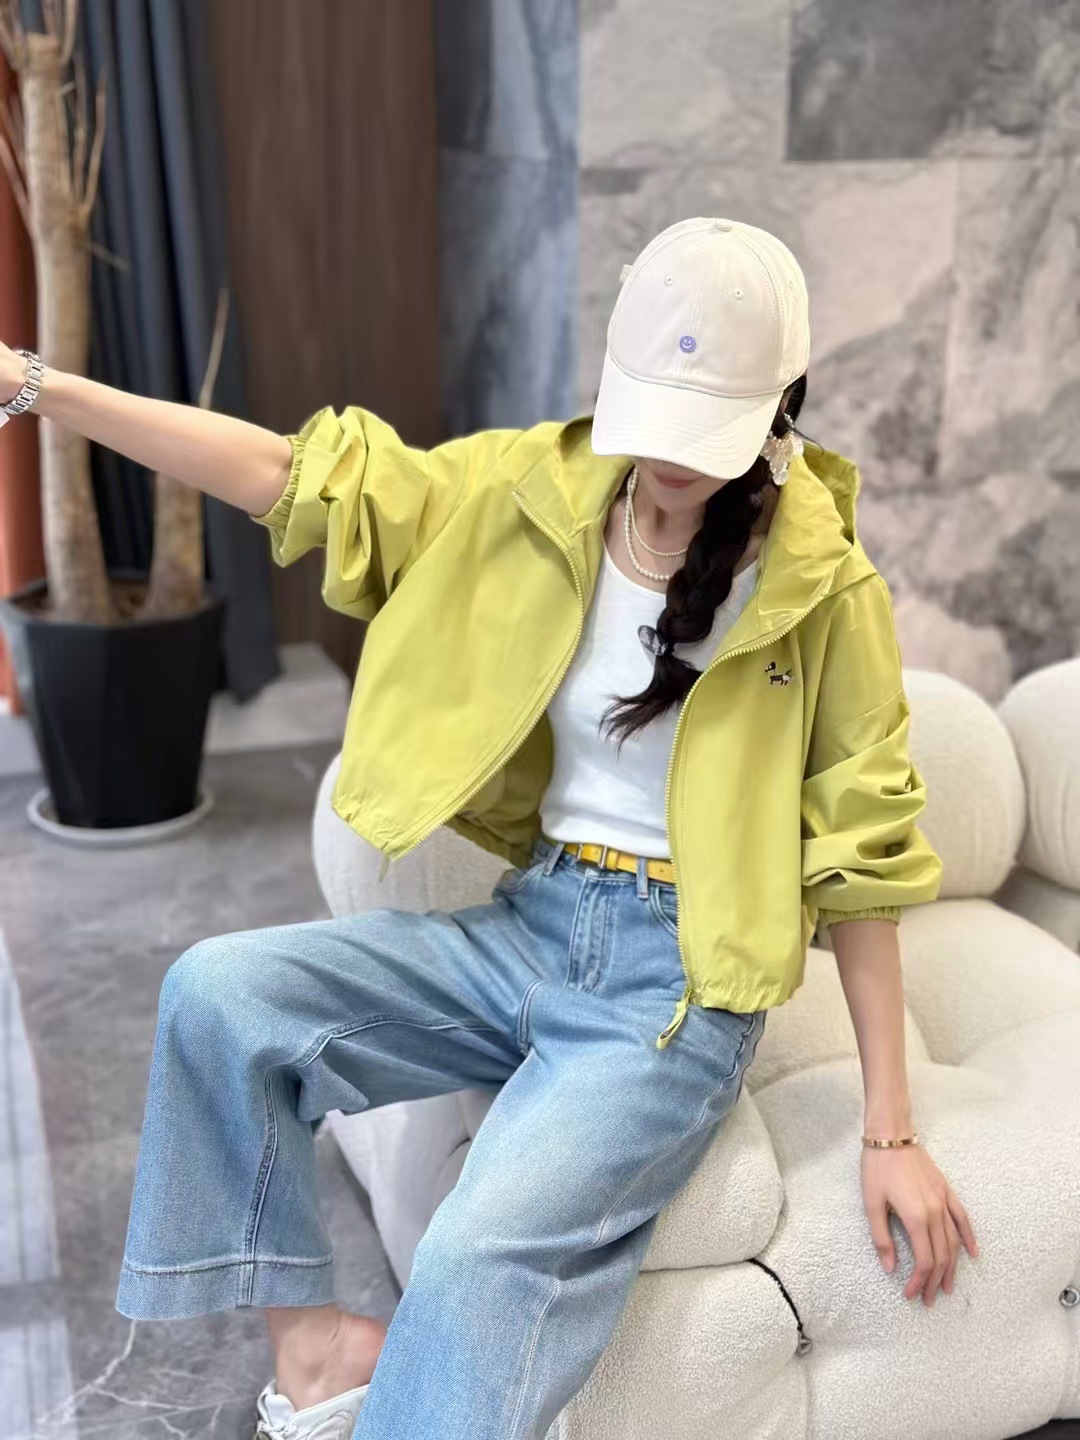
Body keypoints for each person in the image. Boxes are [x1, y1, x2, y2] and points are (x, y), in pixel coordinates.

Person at [0, 216, 977, 1440]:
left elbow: (865, 858)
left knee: (472, 1254)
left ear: (781, 405)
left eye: (705, 432)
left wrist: (891, 1129)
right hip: (531, 927)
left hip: (674, 995)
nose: (669, 461)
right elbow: (288, 473)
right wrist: (35, 385)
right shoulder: (529, 494)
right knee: (219, 996)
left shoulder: (824, 586)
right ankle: (318, 1353)